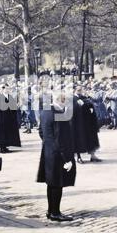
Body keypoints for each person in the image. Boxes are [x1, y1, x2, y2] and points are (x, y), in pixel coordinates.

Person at [37, 92, 76, 222]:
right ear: (62, 101)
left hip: (48, 152)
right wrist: (67, 159)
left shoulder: (45, 111)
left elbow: (41, 131)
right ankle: (55, 212)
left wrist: (48, 143)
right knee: (58, 184)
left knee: (51, 183)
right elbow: (60, 139)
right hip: (58, 154)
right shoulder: (58, 115)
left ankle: (50, 210)